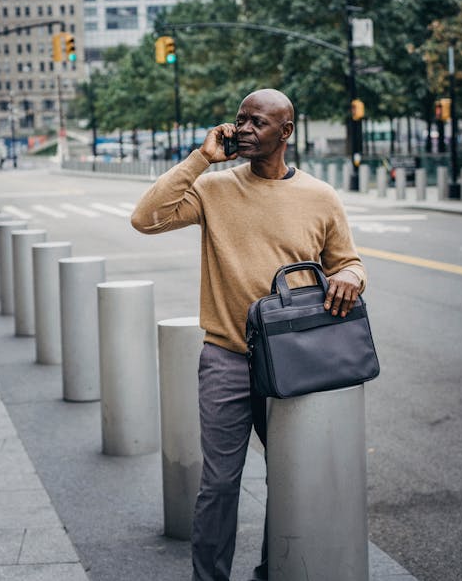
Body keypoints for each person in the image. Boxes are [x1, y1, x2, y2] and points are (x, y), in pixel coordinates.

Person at [131, 88, 366, 581]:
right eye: (240, 120)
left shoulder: (320, 196)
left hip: (296, 357)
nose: (243, 130)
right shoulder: (214, 191)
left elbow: (346, 261)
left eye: (257, 122)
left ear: (286, 132)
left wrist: (350, 277)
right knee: (218, 484)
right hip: (228, 358)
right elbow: (145, 219)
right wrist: (201, 159)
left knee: (290, 478)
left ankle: (272, 571)